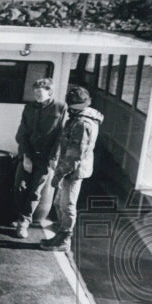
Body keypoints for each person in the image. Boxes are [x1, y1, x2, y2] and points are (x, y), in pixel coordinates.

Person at [40, 86, 104, 252]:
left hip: (72, 172)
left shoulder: (81, 124)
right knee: (59, 203)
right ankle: (61, 233)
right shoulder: (84, 119)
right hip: (71, 168)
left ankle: (64, 239)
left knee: (67, 205)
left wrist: (58, 176)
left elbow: (74, 156)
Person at [11, 77, 67, 239]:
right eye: (34, 92)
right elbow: (22, 134)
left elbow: (60, 135)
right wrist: (26, 157)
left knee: (35, 191)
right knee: (19, 187)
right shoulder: (29, 108)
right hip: (28, 154)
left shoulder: (60, 107)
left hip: (45, 158)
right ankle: (18, 216)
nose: (36, 95)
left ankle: (23, 223)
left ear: (49, 91)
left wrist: (54, 157)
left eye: (39, 92)